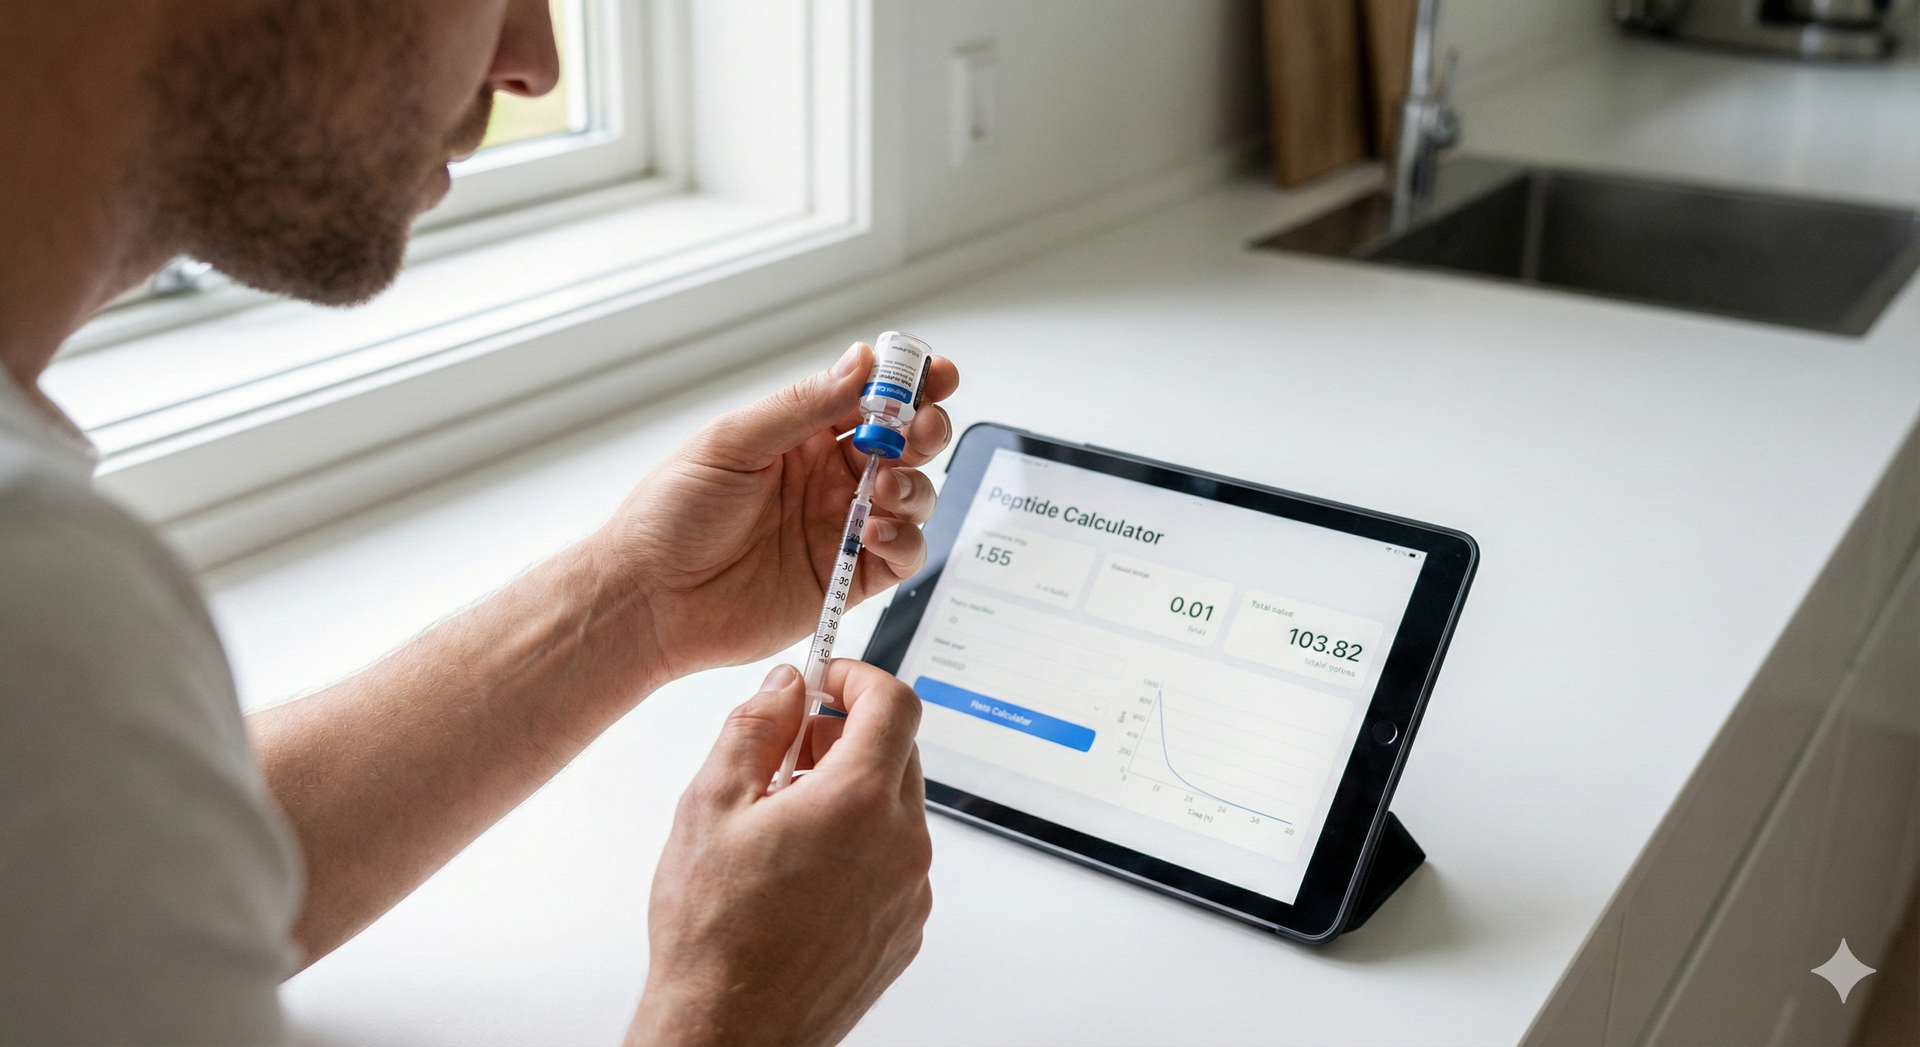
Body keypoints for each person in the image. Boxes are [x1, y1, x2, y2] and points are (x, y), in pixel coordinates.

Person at [0, 3, 952, 1044]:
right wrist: (739, 1005)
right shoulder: (41, 595)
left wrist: (641, 603)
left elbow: (128, 862)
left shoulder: (52, 680)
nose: (534, 65)